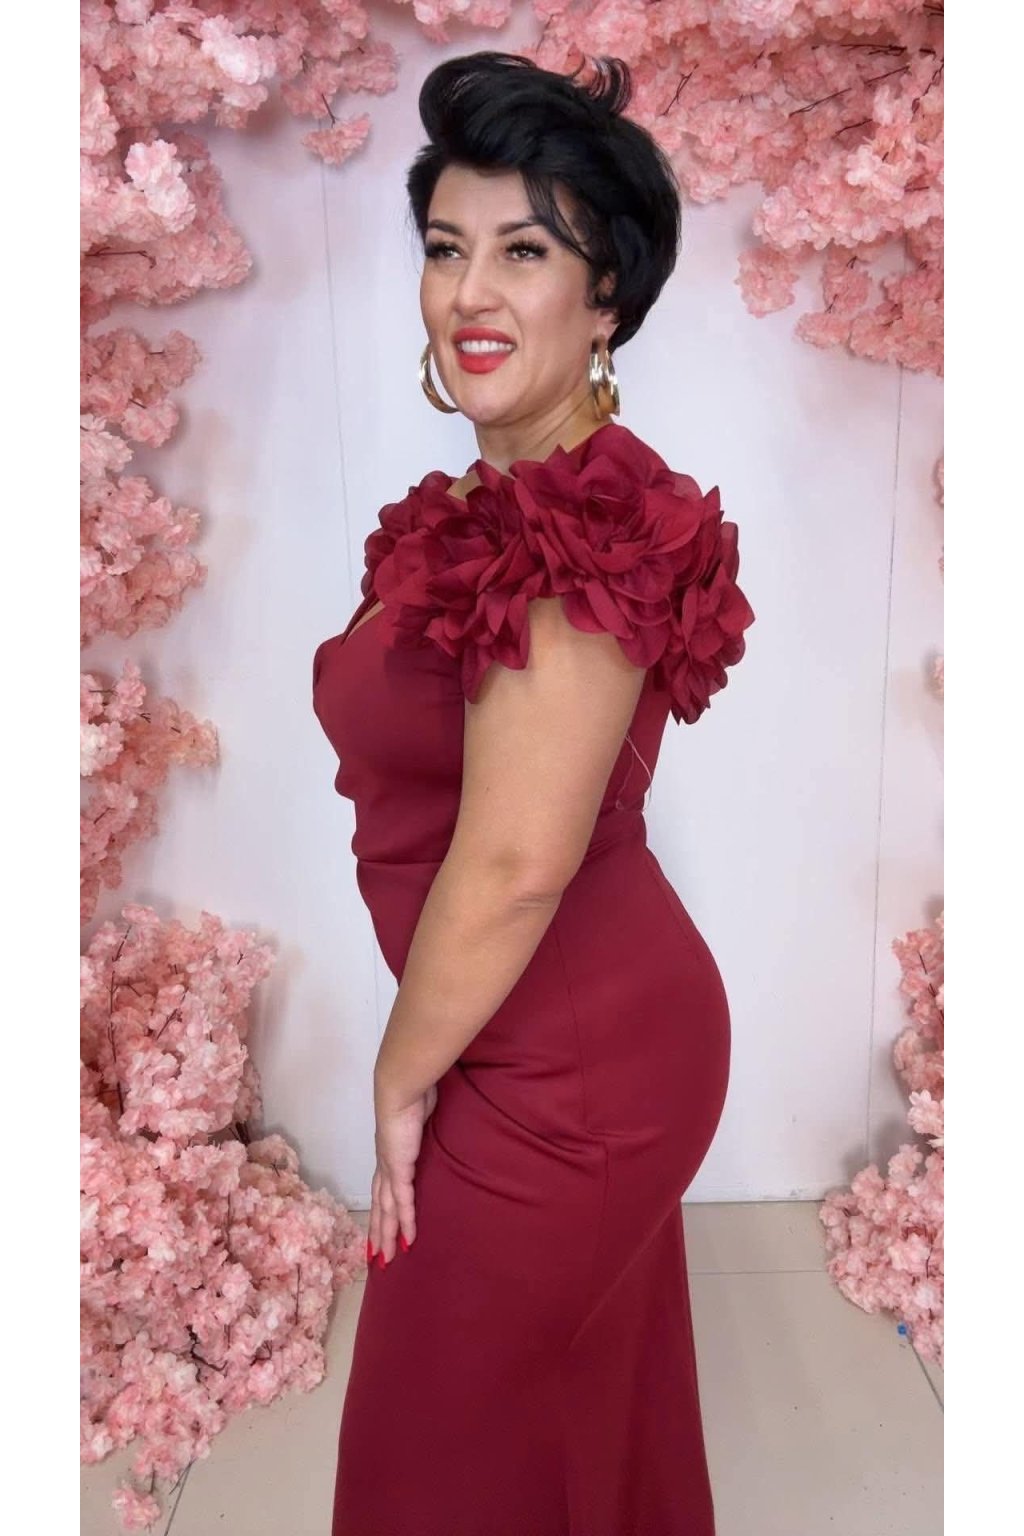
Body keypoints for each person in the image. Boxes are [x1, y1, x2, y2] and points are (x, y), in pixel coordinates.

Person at [311, 49, 756, 1536]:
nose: (470, 295)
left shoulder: (579, 533)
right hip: (543, 1030)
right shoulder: (489, 502)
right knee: (571, 1432)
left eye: (525, 252)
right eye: (447, 249)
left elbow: (512, 867)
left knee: (427, 1465)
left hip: (567, 1072)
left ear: (606, 293)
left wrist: (395, 1079)